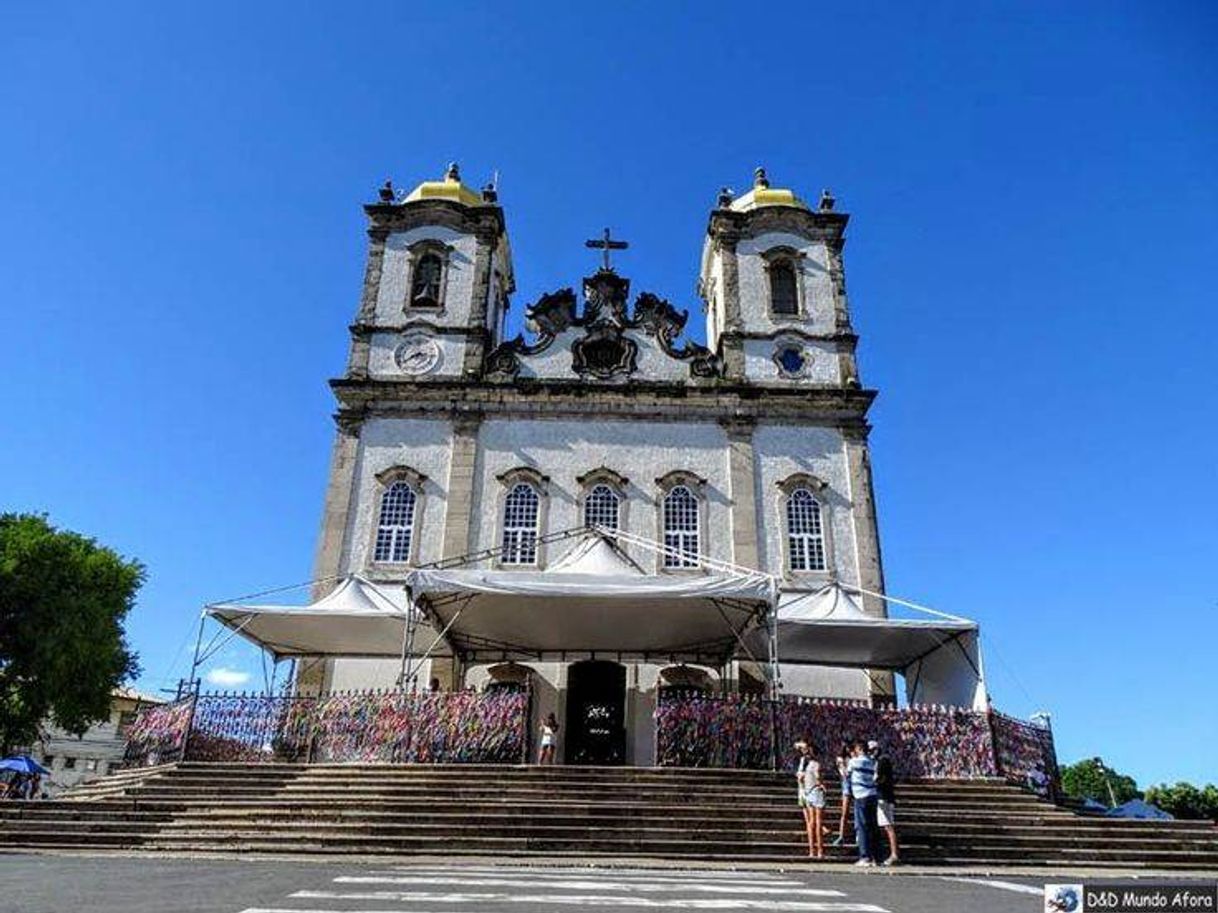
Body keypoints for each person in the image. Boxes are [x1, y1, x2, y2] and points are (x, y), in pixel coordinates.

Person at [846, 740, 880, 866]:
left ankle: (865, 856)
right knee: (873, 826)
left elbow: (846, 773)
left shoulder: (854, 762)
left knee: (862, 827)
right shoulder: (872, 762)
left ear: (859, 749)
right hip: (872, 794)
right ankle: (876, 856)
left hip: (860, 795)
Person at [794, 739, 826, 858]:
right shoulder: (815, 764)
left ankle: (812, 850)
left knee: (811, 822)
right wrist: (821, 783)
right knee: (818, 822)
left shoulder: (806, 765)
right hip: (816, 792)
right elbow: (818, 777)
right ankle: (820, 851)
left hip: (807, 792)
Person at [871, 739, 899, 866]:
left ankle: (894, 854)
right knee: (885, 825)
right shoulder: (880, 761)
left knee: (888, 825)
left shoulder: (882, 761)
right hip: (884, 796)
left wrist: (875, 783)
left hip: (884, 797)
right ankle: (889, 853)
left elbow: (880, 778)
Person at [831, 742, 854, 847]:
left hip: (854, 783)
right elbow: (844, 772)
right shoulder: (841, 759)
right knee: (844, 813)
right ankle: (841, 835)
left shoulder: (854, 758)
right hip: (847, 783)